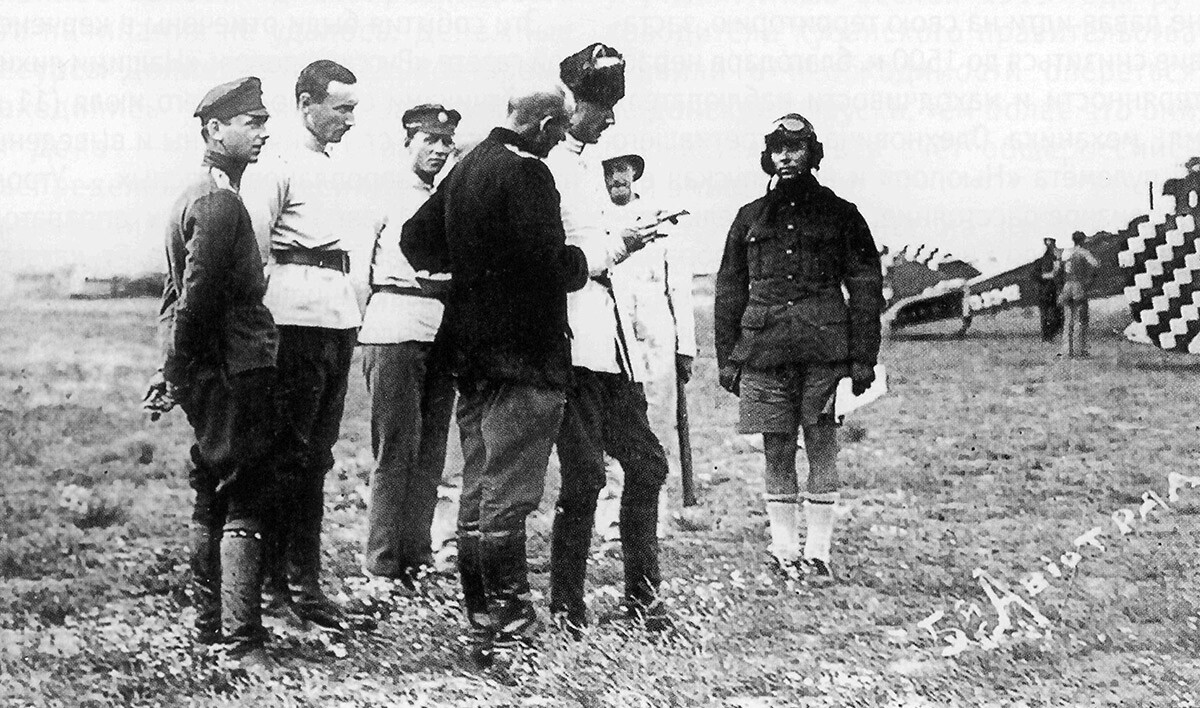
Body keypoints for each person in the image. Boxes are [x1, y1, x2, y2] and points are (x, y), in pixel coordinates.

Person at [400, 83, 586, 671]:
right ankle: (509, 627)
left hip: (472, 354)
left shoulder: (466, 165)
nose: (559, 142)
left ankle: (481, 617)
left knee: (479, 485)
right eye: (559, 131)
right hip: (526, 356)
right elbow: (548, 264)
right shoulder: (529, 173)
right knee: (510, 491)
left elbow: (416, 238)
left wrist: (467, 285)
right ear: (544, 126)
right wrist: (591, 261)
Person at [714, 113, 883, 584]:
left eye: (797, 148)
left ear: (813, 154)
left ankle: (819, 554)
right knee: (776, 451)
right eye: (778, 149)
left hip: (825, 350)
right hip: (763, 351)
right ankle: (785, 552)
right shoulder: (749, 217)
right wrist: (728, 358)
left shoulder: (842, 214)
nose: (787, 157)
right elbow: (729, 289)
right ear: (767, 157)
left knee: (823, 448)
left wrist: (862, 357)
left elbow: (867, 286)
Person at [145, 76, 277, 666]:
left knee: (212, 489)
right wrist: (179, 372)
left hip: (208, 366)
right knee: (243, 491)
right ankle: (242, 641)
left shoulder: (190, 195)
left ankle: (208, 628)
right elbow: (195, 298)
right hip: (233, 366)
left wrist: (171, 369)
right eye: (250, 121)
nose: (262, 131)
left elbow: (174, 300)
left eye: (262, 120)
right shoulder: (220, 202)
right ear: (213, 130)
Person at [545, 43, 670, 634]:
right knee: (585, 477)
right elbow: (560, 259)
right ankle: (567, 608)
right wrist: (616, 246)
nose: (611, 119)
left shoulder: (592, 169)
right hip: (570, 347)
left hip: (611, 345)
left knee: (647, 464)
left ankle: (643, 599)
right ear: (572, 101)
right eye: (603, 105)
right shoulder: (544, 166)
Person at [244, 59, 362, 630]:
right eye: (342, 108)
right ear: (306, 103)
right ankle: (271, 594)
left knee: (316, 457)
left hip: (336, 315)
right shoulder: (276, 163)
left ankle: (305, 586)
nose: (350, 120)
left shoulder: (330, 166)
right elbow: (256, 253)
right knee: (286, 458)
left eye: (354, 109)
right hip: (293, 320)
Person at [358, 104, 460, 589]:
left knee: (432, 448)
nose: (438, 150)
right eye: (429, 140)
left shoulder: (450, 196)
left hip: (440, 329)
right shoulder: (382, 192)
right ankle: (381, 561)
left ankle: (417, 554)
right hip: (394, 324)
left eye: (446, 143)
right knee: (396, 446)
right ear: (407, 141)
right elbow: (359, 268)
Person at [598, 150, 696, 541]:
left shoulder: (662, 219)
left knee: (658, 419)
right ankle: (611, 517)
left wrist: (685, 344)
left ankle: (655, 516)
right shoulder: (594, 220)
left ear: (634, 174)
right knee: (614, 420)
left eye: (623, 170)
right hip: (610, 324)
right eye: (609, 171)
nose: (617, 178)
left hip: (656, 327)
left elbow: (679, 288)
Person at [1060, 230, 1100, 357]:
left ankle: (1067, 350)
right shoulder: (1084, 253)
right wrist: (1089, 280)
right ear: (1082, 240)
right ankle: (1079, 350)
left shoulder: (1066, 253)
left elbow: (1059, 269)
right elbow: (1096, 265)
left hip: (1067, 286)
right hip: (1078, 286)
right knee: (1080, 319)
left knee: (1068, 320)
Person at [1035, 237, 1063, 341]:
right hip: (1045, 290)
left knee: (1054, 314)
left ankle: (1049, 335)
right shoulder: (1044, 258)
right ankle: (1047, 336)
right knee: (1047, 314)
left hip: (1051, 290)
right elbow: (1035, 274)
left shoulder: (1051, 257)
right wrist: (1048, 275)